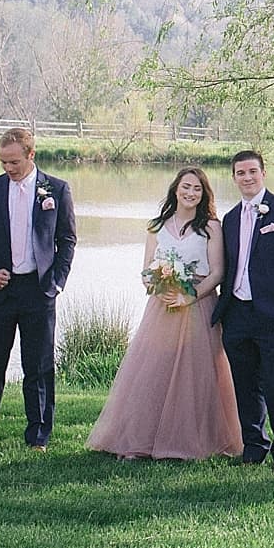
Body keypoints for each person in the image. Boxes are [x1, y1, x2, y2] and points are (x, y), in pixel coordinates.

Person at [87, 167, 242, 460]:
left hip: (197, 304)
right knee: (153, 371)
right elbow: (146, 270)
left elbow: (218, 271)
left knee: (195, 375)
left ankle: (191, 440)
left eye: (197, 189)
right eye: (186, 187)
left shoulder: (211, 227)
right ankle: (140, 439)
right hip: (162, 306)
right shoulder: (157, 225)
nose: (190, 193)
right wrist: (159, 288)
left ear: (204, 194)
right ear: (175, 189)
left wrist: (188, 297)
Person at [0, 127, 76, 450]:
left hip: (39, 291)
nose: (8, 168)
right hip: (0, 289)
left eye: (14, 162)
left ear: (31, 155)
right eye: (3, 162)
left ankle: (38, 435)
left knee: (38, 366)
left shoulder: (56, 189)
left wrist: (56, 283)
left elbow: (67, 240)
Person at [211, 149, 274, 473]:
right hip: (237, 313)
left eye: (252, 171)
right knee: (244, 384)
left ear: (263, 173)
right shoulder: (230, 219)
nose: (247, 177)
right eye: (241, 173)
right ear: (234, 178)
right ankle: (254, 447)